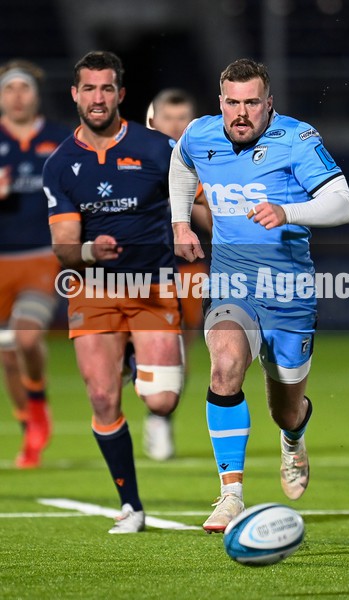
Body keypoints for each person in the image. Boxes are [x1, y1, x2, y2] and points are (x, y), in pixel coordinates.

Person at [169, 58, 349, 533]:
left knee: (285, 409)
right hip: (232, 282)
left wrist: (288, 211)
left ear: (268, 104)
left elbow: (343, 204)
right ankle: (231, 494)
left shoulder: (297, 138)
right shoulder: (201, 135)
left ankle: (294, 437)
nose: (241, 112)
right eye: (233, 102)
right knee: (226, 364)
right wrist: (180, 222)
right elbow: (180, 162)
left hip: (290, 292)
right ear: (221, 102)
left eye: (252, 102)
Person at [43, 51, 184, 534]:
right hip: (94, 288)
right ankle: (132, 506)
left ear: (121, 94)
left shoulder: (158, 148)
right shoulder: (60, 165)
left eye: (107, 89)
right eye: (89, 89)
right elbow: (63, 249)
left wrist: (197, 226)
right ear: (75, 95)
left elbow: (196, 202)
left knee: (162, 401)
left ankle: (135, 359)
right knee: (103, 398)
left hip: (152, 286)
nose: (98, 98)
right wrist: (88, 248)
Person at [0, 59, 70, 468]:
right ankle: (28, 424)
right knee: (7, 356)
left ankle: (39, 400)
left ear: (36, 94)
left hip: (41, 258)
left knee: (25, 339)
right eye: (9, 89)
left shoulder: (59, 140)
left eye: (23, 88)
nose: (17, 95)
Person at [138, 88, 211, 461]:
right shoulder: (135, 158)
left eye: (184, 118)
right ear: (154, 120)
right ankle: (137, 368)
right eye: (169, 117)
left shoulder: (203, 161)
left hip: (186, 268)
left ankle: (160, 416)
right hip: (137, 269)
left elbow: (211, 222)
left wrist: (187, 199)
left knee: (181, 345)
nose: (176, 125)